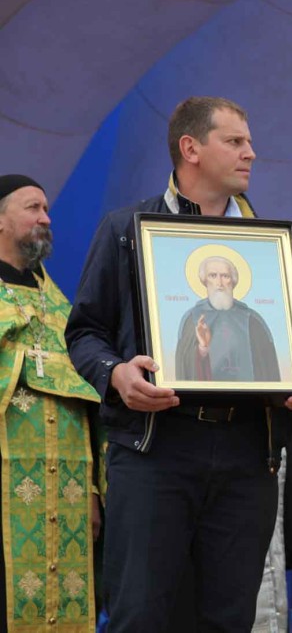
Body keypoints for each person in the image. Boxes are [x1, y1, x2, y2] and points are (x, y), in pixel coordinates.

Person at [65, 96, 292, 632]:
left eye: (248, 142)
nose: (251, 153)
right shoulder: (125, 229)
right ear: (191, 148)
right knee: (141, 615)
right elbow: (85, 331)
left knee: (227, 620)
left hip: (247, 454)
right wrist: (115, 374)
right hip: (155, 450)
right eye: (235, 141)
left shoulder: (267, 243)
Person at [0, 174, 102, 632]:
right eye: (32, 208)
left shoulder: (61, 306)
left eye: (47, 209)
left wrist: (95, 491)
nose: (46, 218)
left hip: (70, 491)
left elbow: (92, 406)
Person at [176, 255, 279, 382]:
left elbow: (267, 367)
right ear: (204, 280)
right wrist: (202, 349)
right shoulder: (193, 319)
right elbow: (184, 367)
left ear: (233, 281)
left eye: (225, 276)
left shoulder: (252, 320)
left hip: (249, 393)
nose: (219, 283)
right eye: (213, 276)